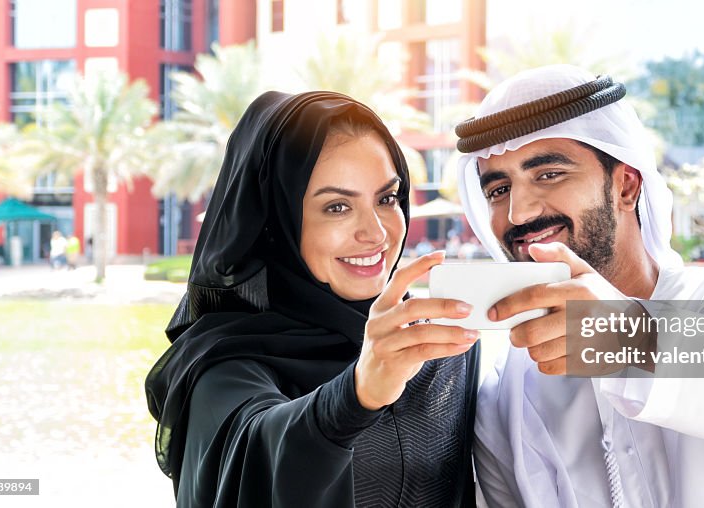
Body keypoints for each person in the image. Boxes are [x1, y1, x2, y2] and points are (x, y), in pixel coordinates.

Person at [454, 65, 704, 507]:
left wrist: (621, 334)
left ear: (626, 186)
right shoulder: (505, 396)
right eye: (498, 189)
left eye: (549, 174)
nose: (518, 213)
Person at [145, 91, 481, 507]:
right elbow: (258, 456)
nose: (376, 233)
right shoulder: (223, 369)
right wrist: (357, 395)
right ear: (275, 221)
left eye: (387, 199)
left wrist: (585, 328)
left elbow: (558, 429)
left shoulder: (440, 345)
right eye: (337, 207)